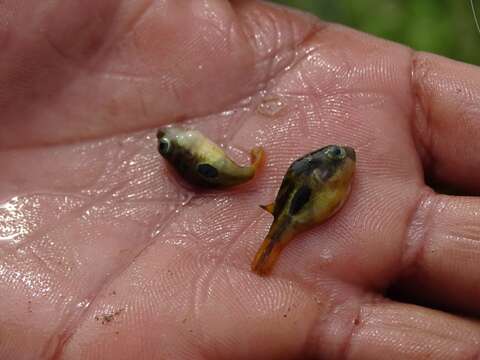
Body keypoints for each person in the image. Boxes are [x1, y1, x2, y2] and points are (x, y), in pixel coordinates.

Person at [1, 1, 479, 358]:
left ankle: (272, 244)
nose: (343, 155)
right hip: (293, 197)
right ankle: (271, 245)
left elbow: (317, 184)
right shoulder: (316, 174)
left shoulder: (318, 176)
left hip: (295, 198)